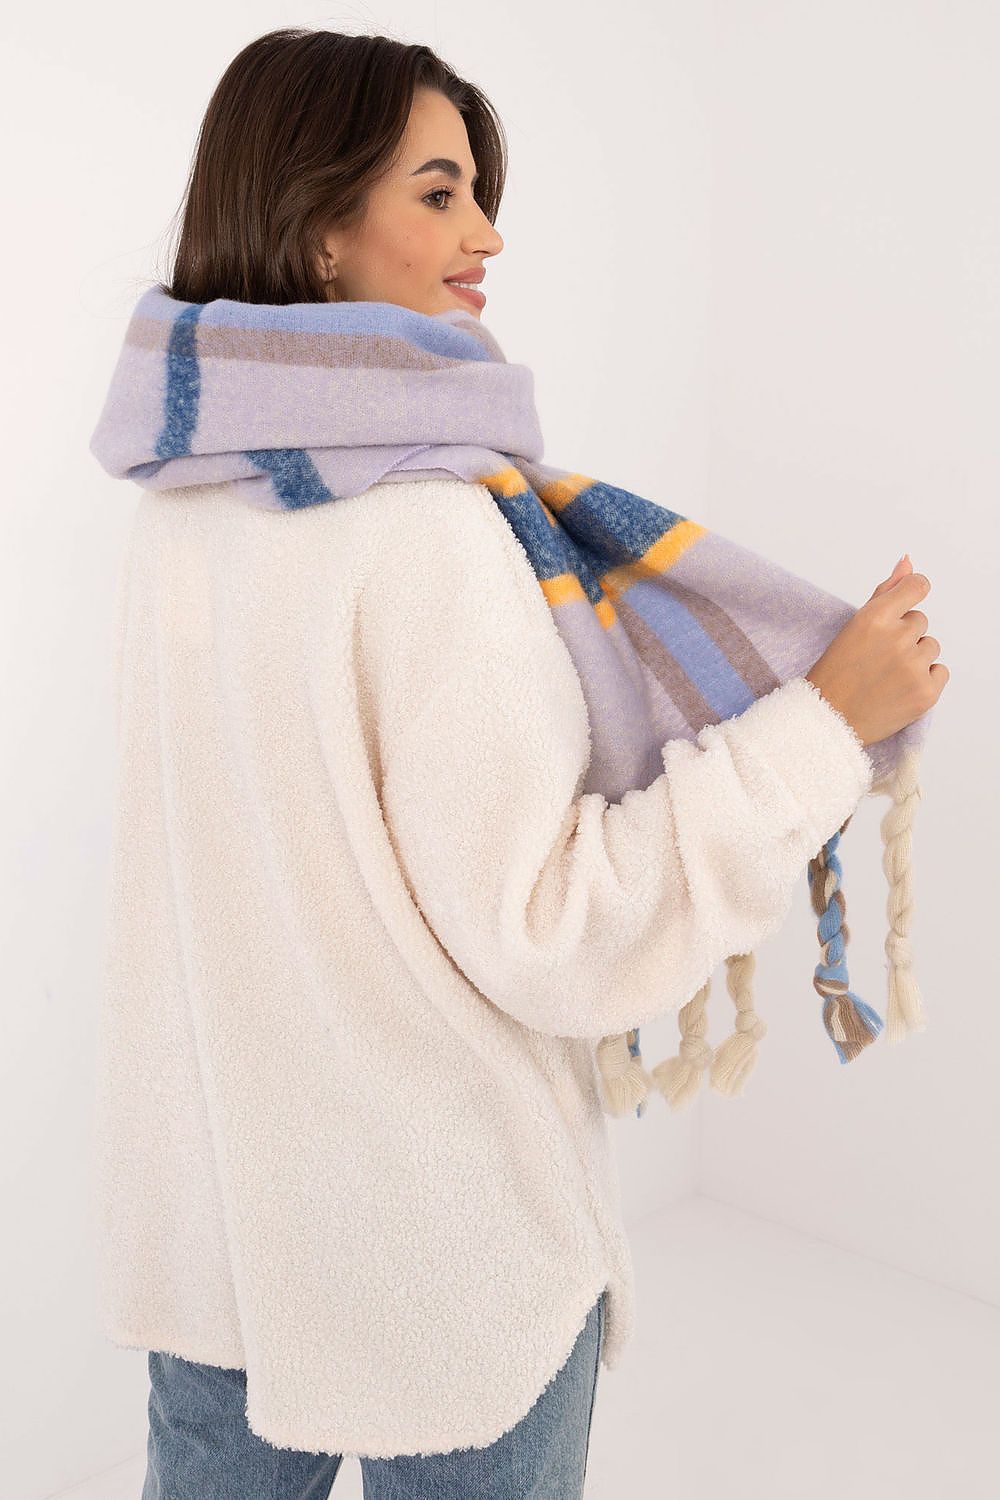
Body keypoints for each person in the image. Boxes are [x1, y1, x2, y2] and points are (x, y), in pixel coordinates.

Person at [88, 26, 947, 1500]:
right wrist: (819, 726)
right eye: (439, 194)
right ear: (317, 223)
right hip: (446, 1251)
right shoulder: (428, 528)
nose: (487, 235)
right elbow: (560, 935)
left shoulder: (183, 506)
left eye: (478, 193)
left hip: (217, 1222)